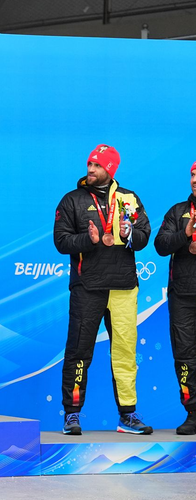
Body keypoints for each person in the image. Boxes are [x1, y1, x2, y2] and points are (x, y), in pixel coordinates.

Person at [54, 145, 152, 435]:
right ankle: (72, 414)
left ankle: (128, 415)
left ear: (110, 169)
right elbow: (61, 242)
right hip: (88, 287)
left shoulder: (129, 199)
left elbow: (145, 235)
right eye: (89, 164)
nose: (90, 169)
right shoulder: (72, 200)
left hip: (123, 286)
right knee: (79, 351)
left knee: (124, 352)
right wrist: (88, 239)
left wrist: (128, 234)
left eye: (97, 165)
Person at [154, 161, 196, 435]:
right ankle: (193, 412)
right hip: (183, 295)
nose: (195, 180)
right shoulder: (178, 211)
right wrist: (186, 234)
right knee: (184, 356)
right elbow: (160, 245)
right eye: (193, 175)